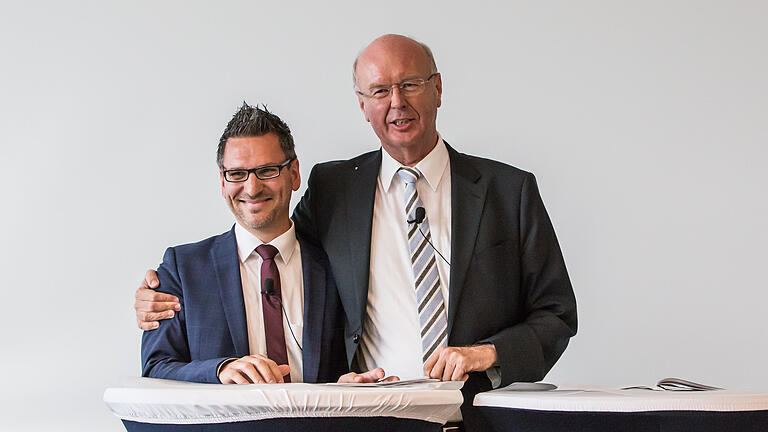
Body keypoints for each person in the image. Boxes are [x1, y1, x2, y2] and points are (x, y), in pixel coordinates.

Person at [136, 35, 578, 427]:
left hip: (481, 415)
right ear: (363, 105)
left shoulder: (509, 190)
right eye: (380, 91)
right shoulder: (333, 189)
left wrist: (489, 352)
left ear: (438, 88)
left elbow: (556, 314)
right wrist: (162, 295)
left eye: (410, 84)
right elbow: (272, 245)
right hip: (371, 417)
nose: (397, 103)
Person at [141, 103, 349, 384]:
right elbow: (156, 368)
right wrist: (219, 370)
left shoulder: (336, 264)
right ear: (223, 182)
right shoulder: (182, 269)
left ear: (294, 173)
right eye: (237, 174)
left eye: (267, 170)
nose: (252, 188)